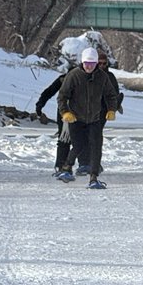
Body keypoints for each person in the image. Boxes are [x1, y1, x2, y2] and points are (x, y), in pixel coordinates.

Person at [56, 46, 119, 189]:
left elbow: (111, 95)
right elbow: (62, 96)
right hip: (76, 118)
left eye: (92, 64)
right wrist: (65, 112)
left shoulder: (102, 77)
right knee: (78, 145)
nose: (89, 67)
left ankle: (94, 178)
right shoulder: (73, 75)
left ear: (96, 64)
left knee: (96, 147)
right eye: (86, 64)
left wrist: (111, 109)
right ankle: (66, 169)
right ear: (82, 63)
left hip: (95, 118)